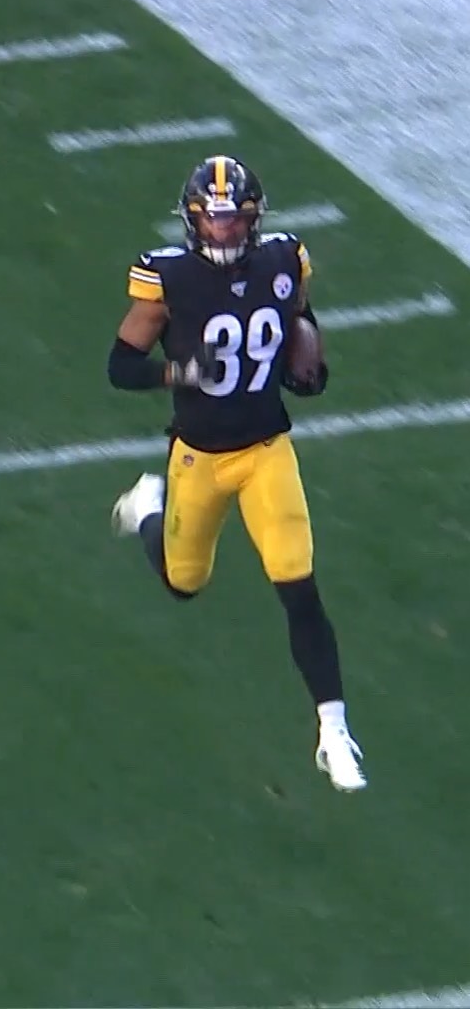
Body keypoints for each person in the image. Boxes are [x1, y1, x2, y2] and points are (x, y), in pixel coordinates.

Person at [107, 155, 366, 793]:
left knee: (298, 585)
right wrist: (179, 373)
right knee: (184, 582)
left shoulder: (284, 260)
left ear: (254, 219)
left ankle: (333, 731)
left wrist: (309, 366)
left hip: (265, 449)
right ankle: (148, 506)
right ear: (193, 220)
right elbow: (121, 366)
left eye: (234, 218)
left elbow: (299, 323)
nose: (223, 229)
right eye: (212, 218)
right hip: (198, 456)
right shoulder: (167, 278)